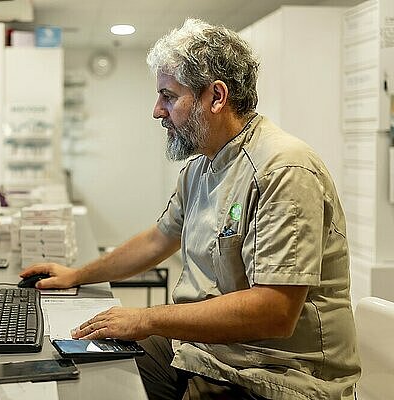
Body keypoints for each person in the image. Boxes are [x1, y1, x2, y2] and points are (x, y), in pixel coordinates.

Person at [21, 18, 361, 400]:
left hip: (271, 373)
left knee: (115, 377)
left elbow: (274, 310)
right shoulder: (202, 164)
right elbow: (159, 238)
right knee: (86, 369)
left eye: (168, 96)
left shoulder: (284, 170)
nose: (156, 111)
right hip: (209, 349)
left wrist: (145, 318)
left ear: (215, 97)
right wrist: (77, 274)